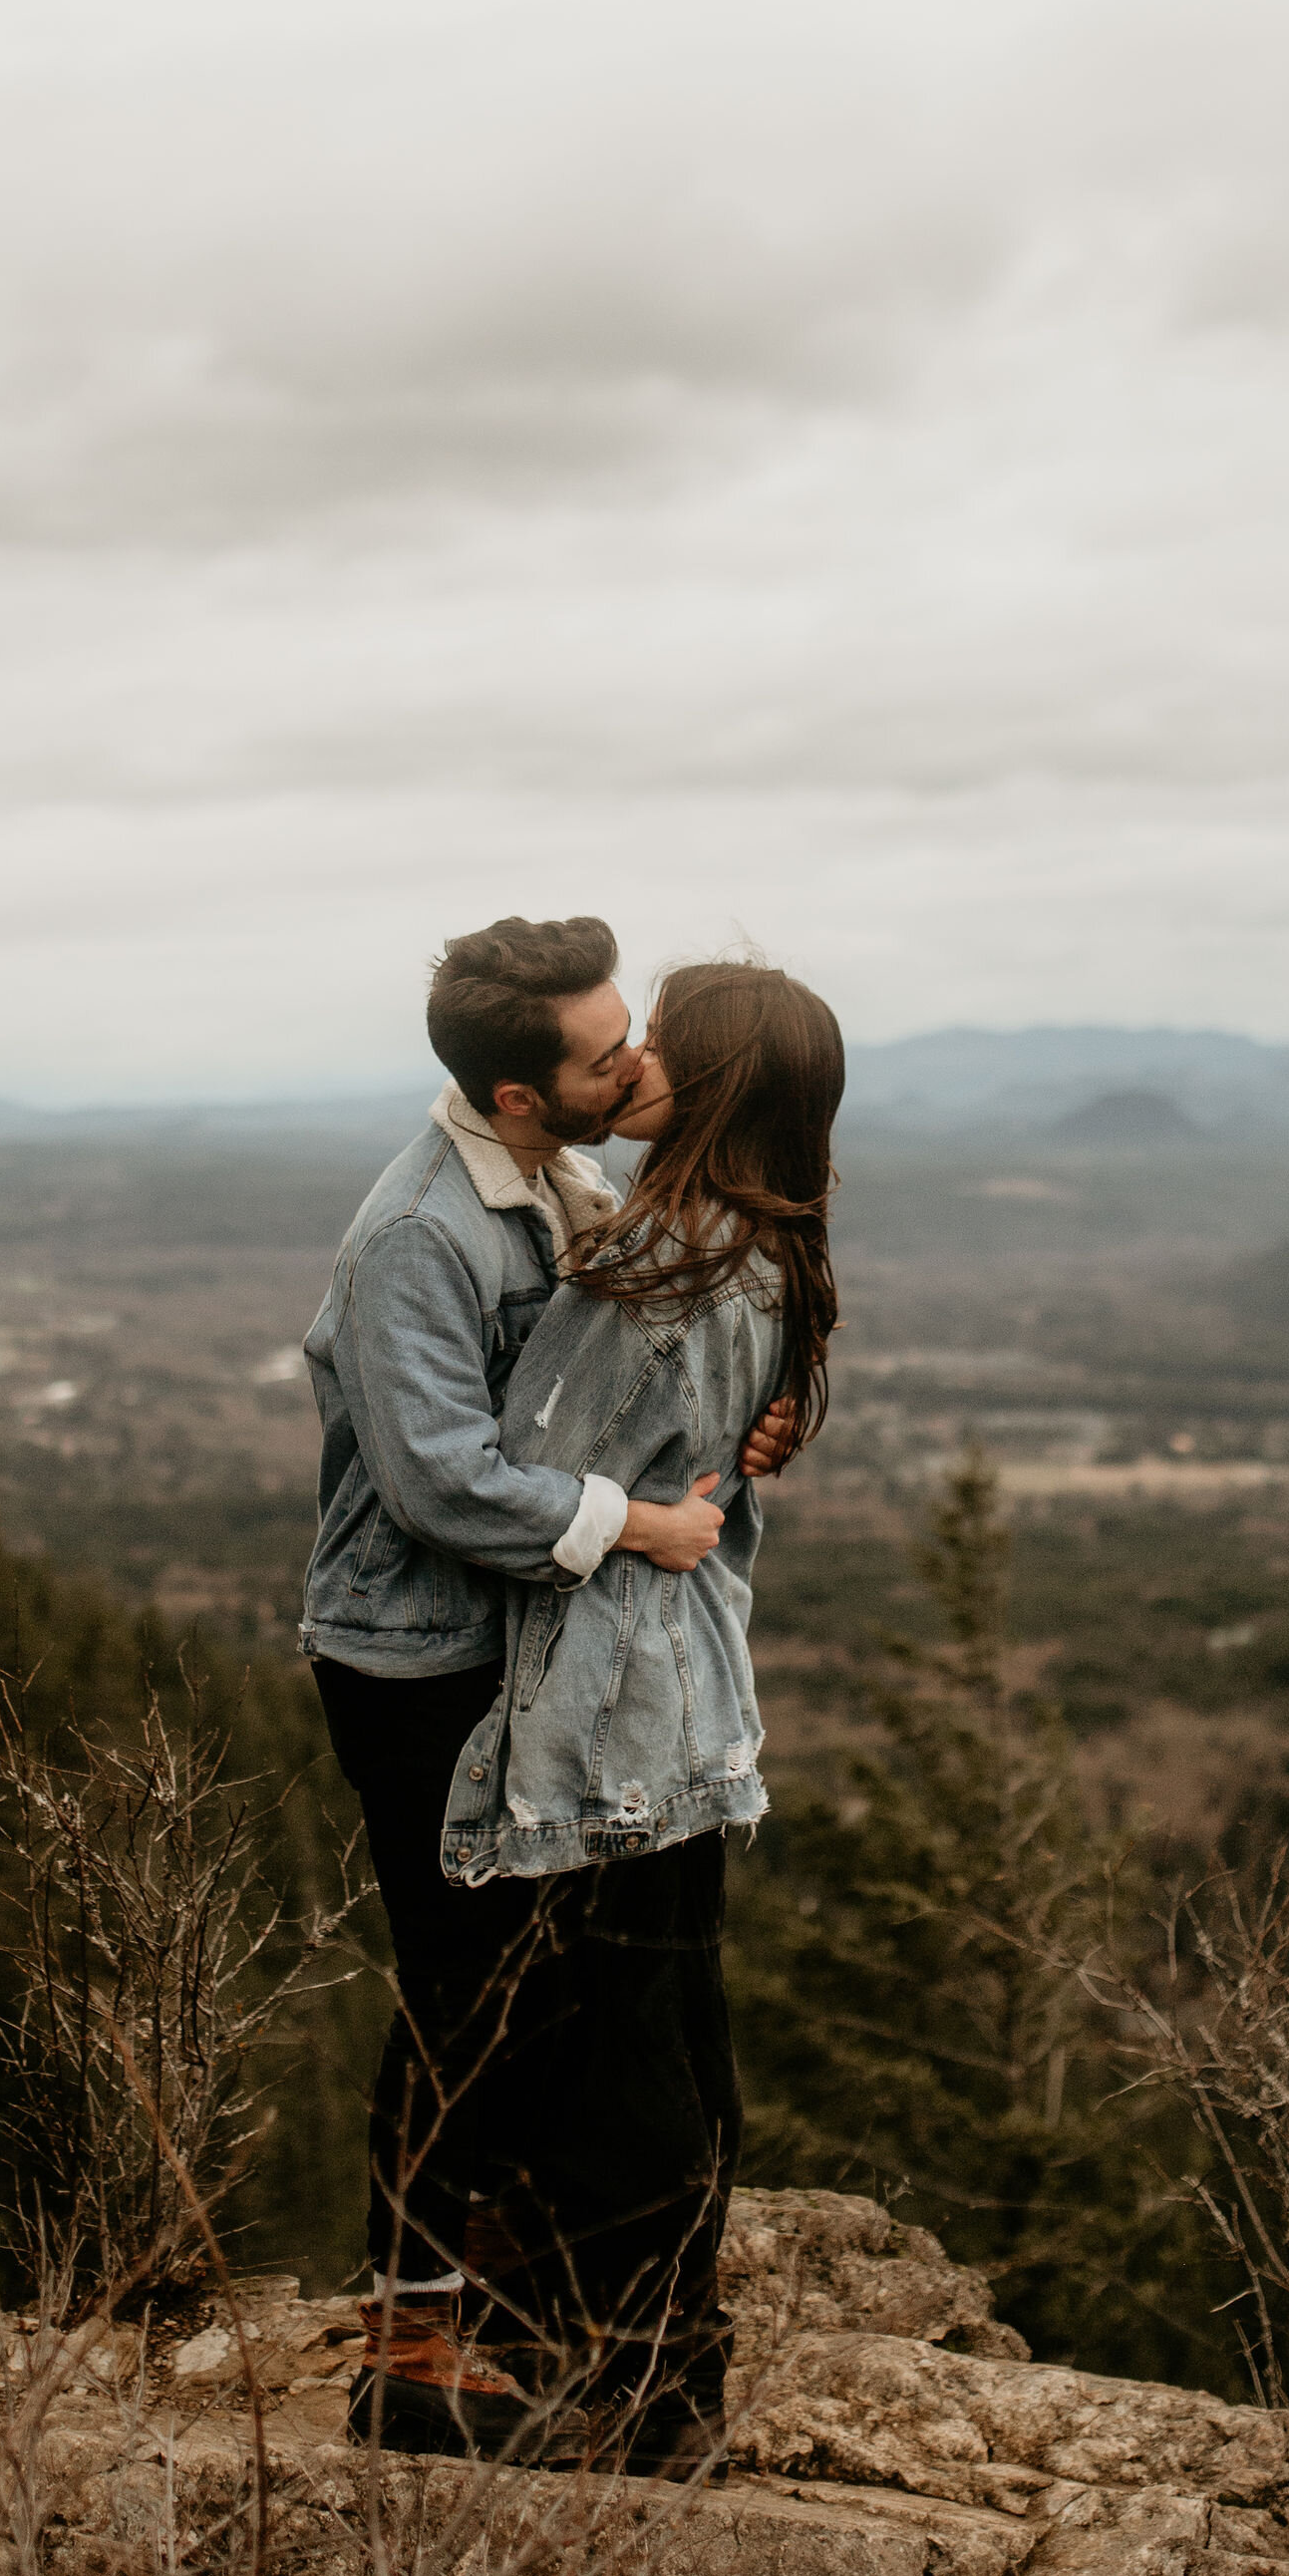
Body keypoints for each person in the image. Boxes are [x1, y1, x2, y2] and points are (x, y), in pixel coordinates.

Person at [300, 917, 793, 2459]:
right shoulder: (419, 1239)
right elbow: (444, 1480)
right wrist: (642, 1522)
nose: (640, 1063)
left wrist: (739, 1434)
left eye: (631, 1028)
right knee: (466, 2001)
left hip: (519, 1652)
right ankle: (412, 2350)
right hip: (421, 1662)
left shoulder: (561, 1184)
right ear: (522, 1095)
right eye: (606, 1056)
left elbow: (648, 1368)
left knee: (533, 2006)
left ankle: (505, 2323)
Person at [442, 957, 842, 2473]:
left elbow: (513, 1462)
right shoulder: (770, 1242)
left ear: (720, 1082)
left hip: (605, 1701)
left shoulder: (656, 1261)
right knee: (675, 2023)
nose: (643, 1056)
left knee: (611, 2046)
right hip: (692, 1696)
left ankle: (634, 2385)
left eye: (669, 1039)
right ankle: (665, 2363)